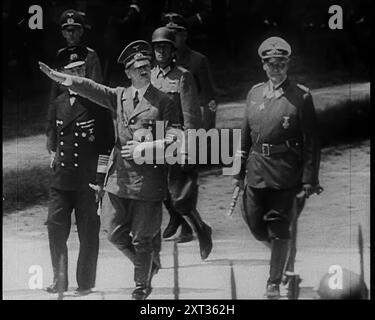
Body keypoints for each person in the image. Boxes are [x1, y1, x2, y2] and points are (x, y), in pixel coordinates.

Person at [40, 40, 178, 300]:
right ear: (128, 72)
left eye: (146, 66)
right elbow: (91, 87)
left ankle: (141, 284)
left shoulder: (164, 101)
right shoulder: (120, 96)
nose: (143, 71)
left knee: (142, 238)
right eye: (136, 68)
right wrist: (65, 78)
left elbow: (177, 136)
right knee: (114, 232)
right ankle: (147, 264)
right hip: (120, 179)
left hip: (148, 180)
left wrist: (148, 146)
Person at [232, 36, 320, 299]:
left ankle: (273, 282)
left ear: (288, 64)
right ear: (264, 66)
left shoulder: (301, 97)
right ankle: (283, 258)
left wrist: (309, 180)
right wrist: (237, 173)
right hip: (256, 171)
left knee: (279, 228)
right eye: (271, 64)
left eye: (281, 64)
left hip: (286, 174)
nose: (276, 69)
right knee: (255, 225)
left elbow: (312, 142)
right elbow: (244, 136)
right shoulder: (254, 93)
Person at [44, 45, 114, 296]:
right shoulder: (58, 103)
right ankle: (59, 279)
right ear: (62, 73)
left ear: (86, 71)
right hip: (61, 181)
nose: (76, 74)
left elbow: (107, 144)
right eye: (70, 70)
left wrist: (100, 179)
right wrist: (52, 154)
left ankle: (85, 282)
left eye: (80, 69)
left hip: (87, 182)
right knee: (55, 228)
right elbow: (51, 135)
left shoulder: (98, 105)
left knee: (88, 233)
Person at [150, 26, 213, 260]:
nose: (161, 52)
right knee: (159, 190)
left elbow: (191, 114)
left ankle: (200, 229)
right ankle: (178, 224)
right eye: (157, 48)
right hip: (156, 139)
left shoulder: (183, 76)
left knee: (179, 195)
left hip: (178, 139)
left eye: (165, 48)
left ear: (172, 51)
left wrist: (189, 146)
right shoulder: (150, 76)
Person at [163, 13, 218, 130]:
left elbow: (209, 101)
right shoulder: (160, 62)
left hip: (189, 126)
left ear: (184, 36)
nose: (171, 39)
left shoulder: (197, 61)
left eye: (175, 34)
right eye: (168, 35)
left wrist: (206, 133)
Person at [47, 8, 103, 115]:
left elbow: (97, 88)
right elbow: (55, 89)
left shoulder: (90, 55)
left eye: (74, 30)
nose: (71, 34)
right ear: (63, 33)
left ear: (81, 31)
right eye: (68, 31)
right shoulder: (60, 55)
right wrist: (52, 115)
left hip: (86, 106)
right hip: (65, 105)